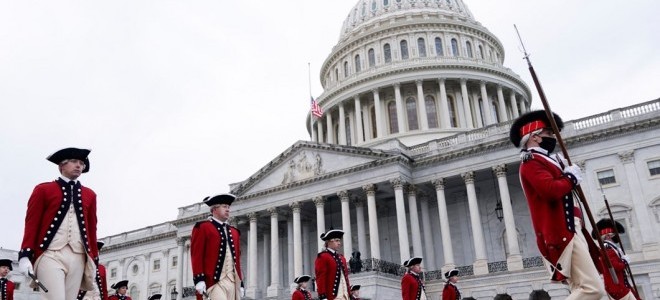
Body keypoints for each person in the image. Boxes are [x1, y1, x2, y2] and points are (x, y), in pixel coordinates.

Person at [510, 111, 604, 300]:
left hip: (571, 229)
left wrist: (566, 172)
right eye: (550, 133)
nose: (554, 137)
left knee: (580, 287)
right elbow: (550, 190)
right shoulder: (531, 162)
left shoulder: (548, 160)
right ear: (535, 136)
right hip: (562, 233)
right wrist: (570, 177)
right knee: (593, 289)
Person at [18, 147, 99, 300]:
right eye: (74, 162)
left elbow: (92, 229)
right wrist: (25, 255)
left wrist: (94, 259)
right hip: (50, 254)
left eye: (81, 163)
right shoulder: (43, 190)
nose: (78, 166)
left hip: (78, 255)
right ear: (61, 166)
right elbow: (31, 224)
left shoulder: (90, 195)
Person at [191, 194, 244, 300]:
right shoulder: (203, 228)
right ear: (214, 209)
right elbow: (196, 255)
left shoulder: (234, 232)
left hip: (232, 282)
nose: (228, 210)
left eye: (228, 207)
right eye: (224, 207)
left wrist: (241, 283)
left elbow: (237, 261)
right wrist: (199, 279)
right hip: (214, 281)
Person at [592, 219, 640, 300]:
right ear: (608, 236)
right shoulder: (607, 248)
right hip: (617, 286)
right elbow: (615, 266)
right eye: (613, 234)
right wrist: (625, 261)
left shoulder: (611, 248)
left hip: (621, 285)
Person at [315, 229, 350, 300]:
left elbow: (346, 278)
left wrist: (349, 293)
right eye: (337, 240)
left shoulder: (342, 258)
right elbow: (320, 278)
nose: (339, 243)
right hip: (332, 297)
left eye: (339, 241)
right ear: (329, 242)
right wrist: (323, 296)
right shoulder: (323, 257)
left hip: (345, 296)